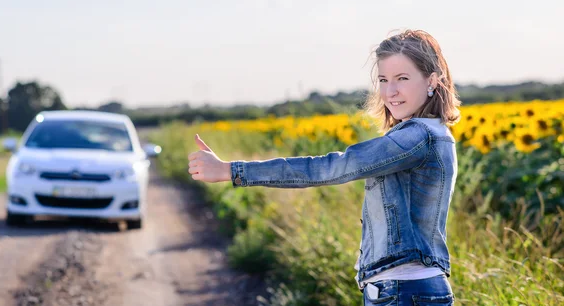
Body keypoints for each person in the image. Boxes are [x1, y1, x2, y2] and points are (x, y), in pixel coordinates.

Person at [187, 29, 461, 305]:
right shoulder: (428, 134)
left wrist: (231, 171)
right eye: (383, 79)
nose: (390, 91)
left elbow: (332, 168)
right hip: (408, 289)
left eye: (402, 78)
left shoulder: (417, 137)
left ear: (432, 80)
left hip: (405, 291)